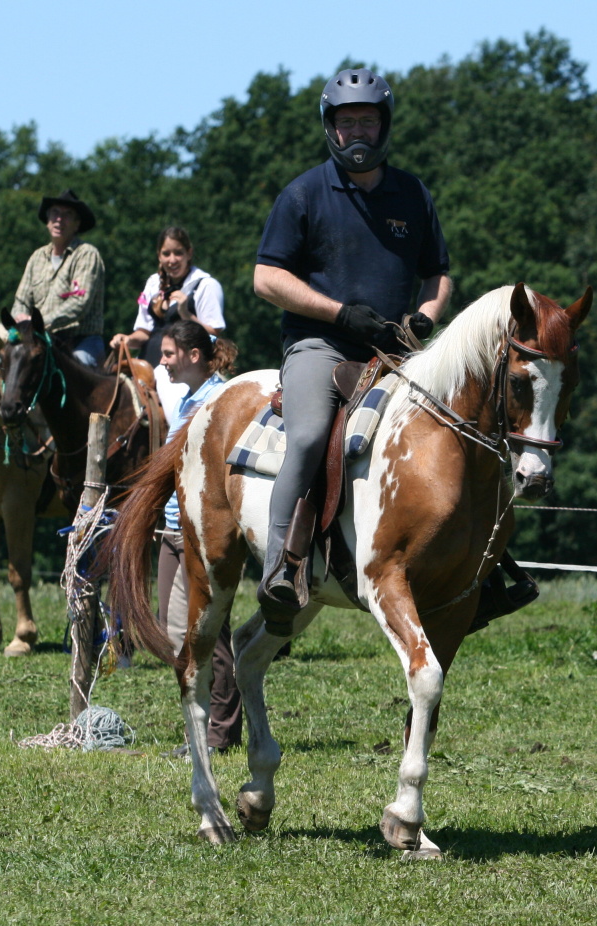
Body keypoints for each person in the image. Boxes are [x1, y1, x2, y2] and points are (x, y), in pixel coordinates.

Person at [250, 67, 452, 630]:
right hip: (321, 343)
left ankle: (480, 568)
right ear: (330, 129)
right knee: (312, 433)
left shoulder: (412, 194)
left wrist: (425, 318)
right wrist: (339, 313)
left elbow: (439, 275)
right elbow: (267, 278)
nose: (357, 131)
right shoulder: (304, 193)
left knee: (458, 427)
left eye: (367, 119)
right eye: (346, 122)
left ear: (384, 125)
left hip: (398, 349)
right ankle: (280, 569)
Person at [156, 320, 242, 748]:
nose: (163, 362)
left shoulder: (220, 399)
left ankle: (220, 731)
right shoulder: (189, 400)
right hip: (174, 526)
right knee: (174, 630)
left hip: (201, 531)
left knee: (209, 630)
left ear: (193, 356)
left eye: (169, 354)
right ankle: (201, 724)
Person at [110, 226, 226, 424]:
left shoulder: (205, 285)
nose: (172, 260)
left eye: (178, 253)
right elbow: (144, 332)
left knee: (176, 416)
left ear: (189, 253)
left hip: (181, 368)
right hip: (146, 364)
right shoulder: (153, 283)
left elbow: (214, 333)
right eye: (166, 253)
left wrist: (185, 314)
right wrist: (127, 340)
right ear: (159, 256)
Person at [12, 189, 106, 367]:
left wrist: (37, 323)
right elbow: (20, 301)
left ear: (77, 224)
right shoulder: (37, 257)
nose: (59, 219)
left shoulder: (86, 254)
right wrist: (20, 318)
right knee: (7, 367)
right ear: (47, 221)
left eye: (67, 215)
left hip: (81, 342)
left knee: (78, 367)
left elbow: (79, 304)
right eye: (55, 213)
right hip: (42, 340)